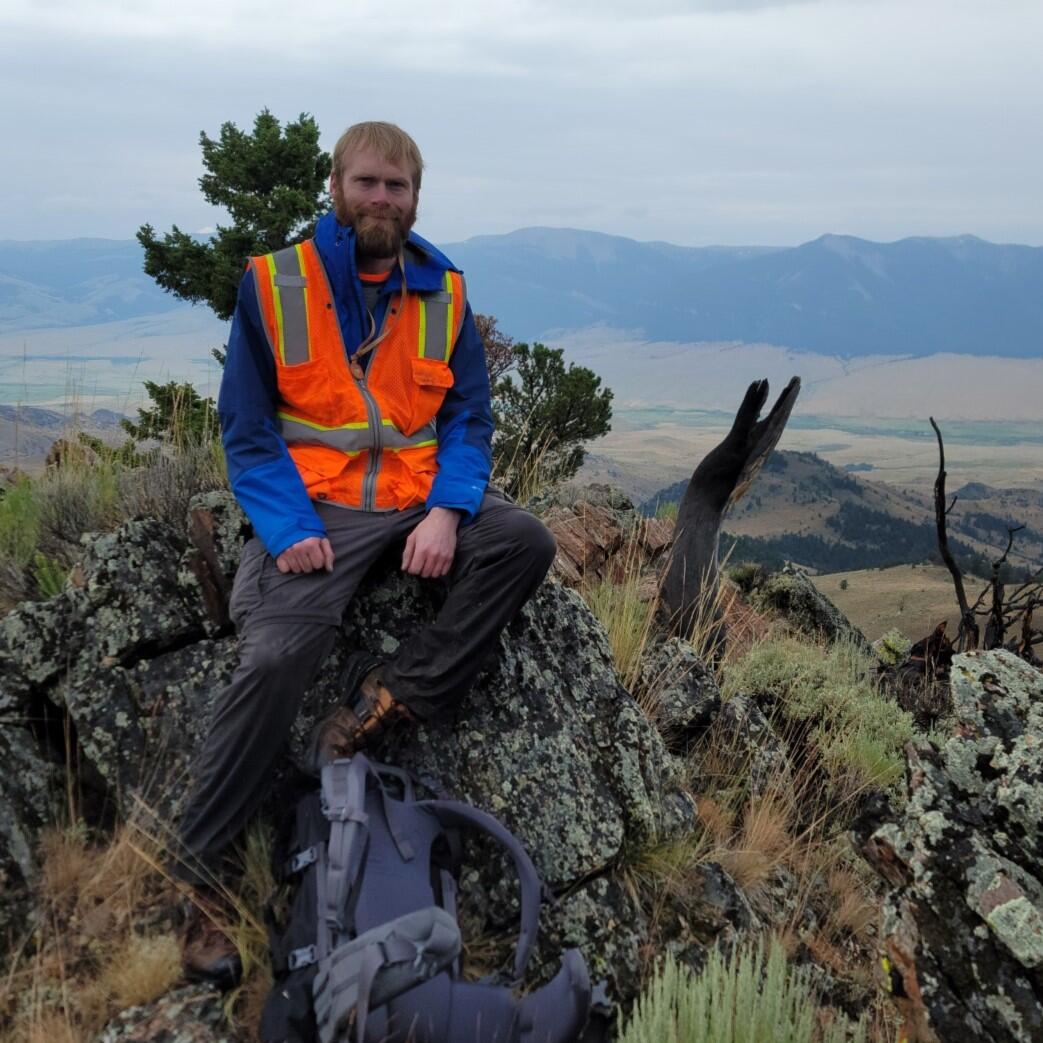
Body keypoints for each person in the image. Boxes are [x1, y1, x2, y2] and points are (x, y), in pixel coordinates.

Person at [174, 121, 556, 986]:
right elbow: (245, 429)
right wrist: (285, 528)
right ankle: (197, 879)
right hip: (320, 508)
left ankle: (382, 707)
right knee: (275, 652)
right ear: (336, 186)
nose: (381, 199)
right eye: (367, 183)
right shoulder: (274, 284)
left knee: (525, 542)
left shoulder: (443, 290)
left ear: (415, 197)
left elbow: (466, 421)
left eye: (397, 187)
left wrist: (452, 512)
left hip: (417, 498)